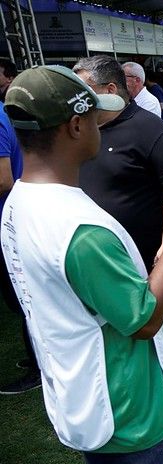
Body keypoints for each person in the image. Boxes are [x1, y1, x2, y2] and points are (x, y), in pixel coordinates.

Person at [2, 64, 163, 464]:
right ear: (76, 126)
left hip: (86, 400)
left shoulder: (19, 203)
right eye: (95, 116)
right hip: (134, 414)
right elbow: (144, 321)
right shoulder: (81, 232)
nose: (102, 125)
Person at [73, 55, 163, 422]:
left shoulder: (150, 131)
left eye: (84, 91)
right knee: (121, 337)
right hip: (107, 262)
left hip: (152, 262)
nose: (77, 101)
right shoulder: (83, 130)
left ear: (111, 91)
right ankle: (135, 401)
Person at [0, 76, 39, 395]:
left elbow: (2, 179)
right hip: (17, 214)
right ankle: (36, 356)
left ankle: (39, 363)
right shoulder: (6, 114)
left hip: (10, 216)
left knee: (22, 296)